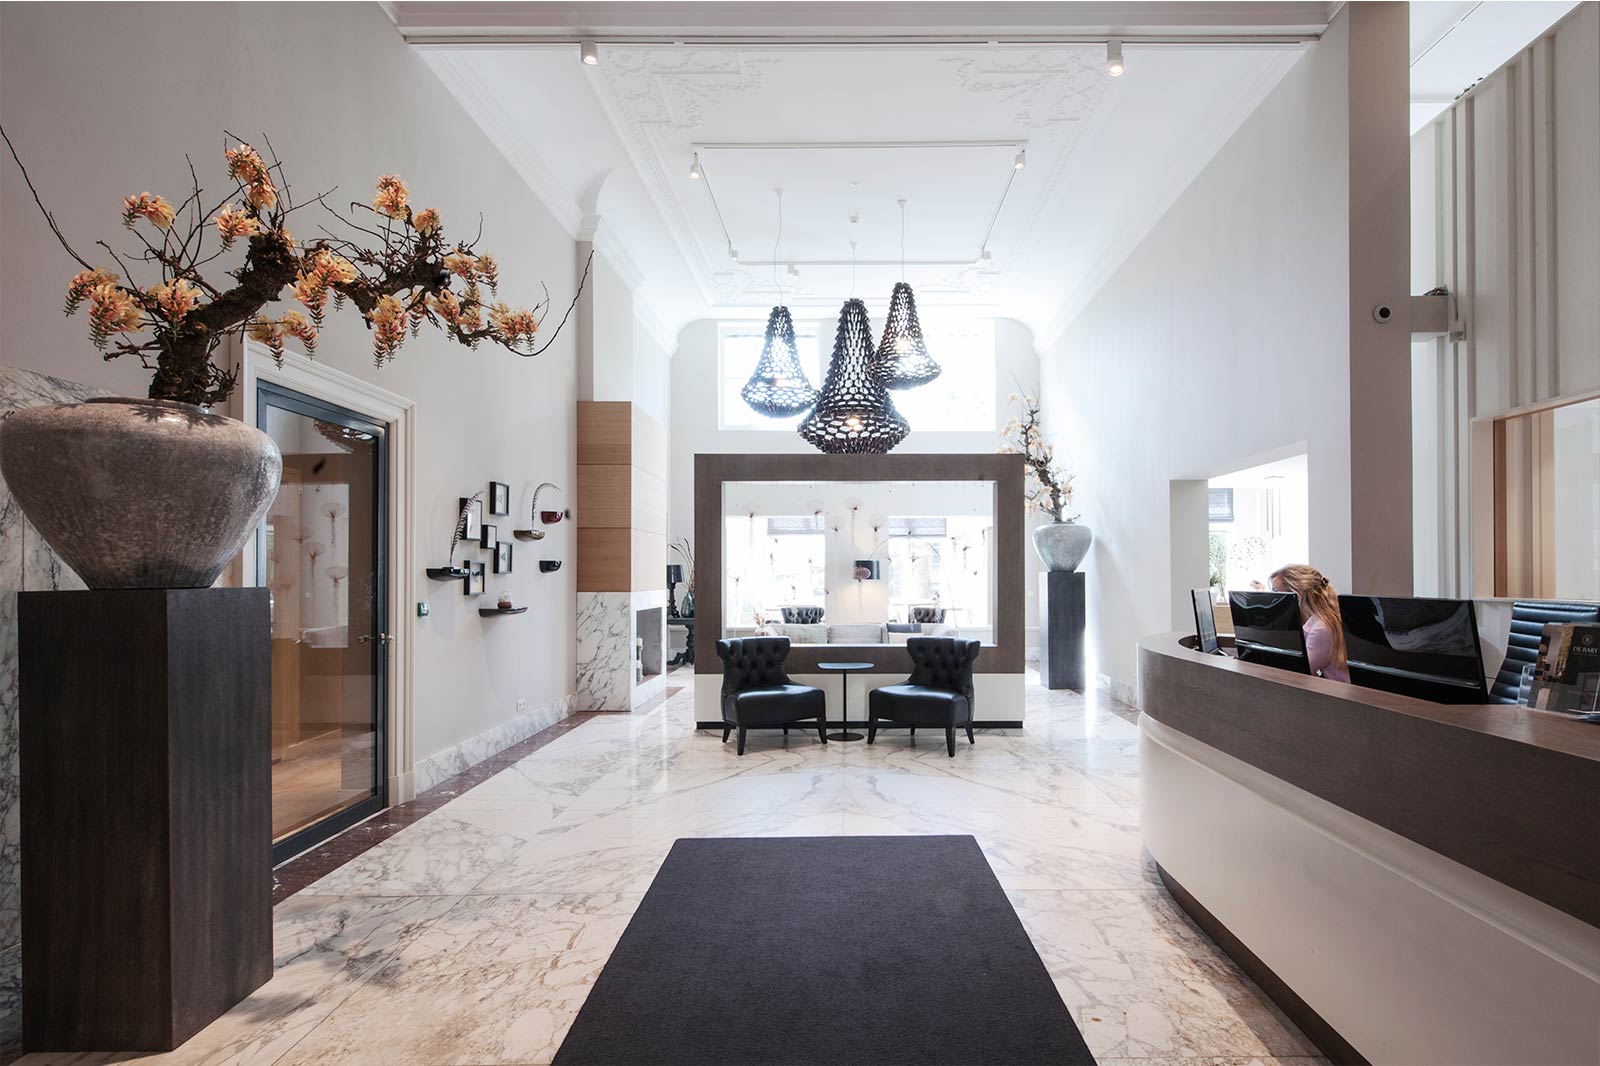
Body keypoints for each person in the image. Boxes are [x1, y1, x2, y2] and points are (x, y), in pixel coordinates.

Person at [1269, 564, 1350, 683]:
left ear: (1298, 593)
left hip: (1345, 699)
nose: (1272, 599)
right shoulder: (1322, 621)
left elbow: (1299, 674)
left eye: (1276, 591)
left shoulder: (1321, 629)